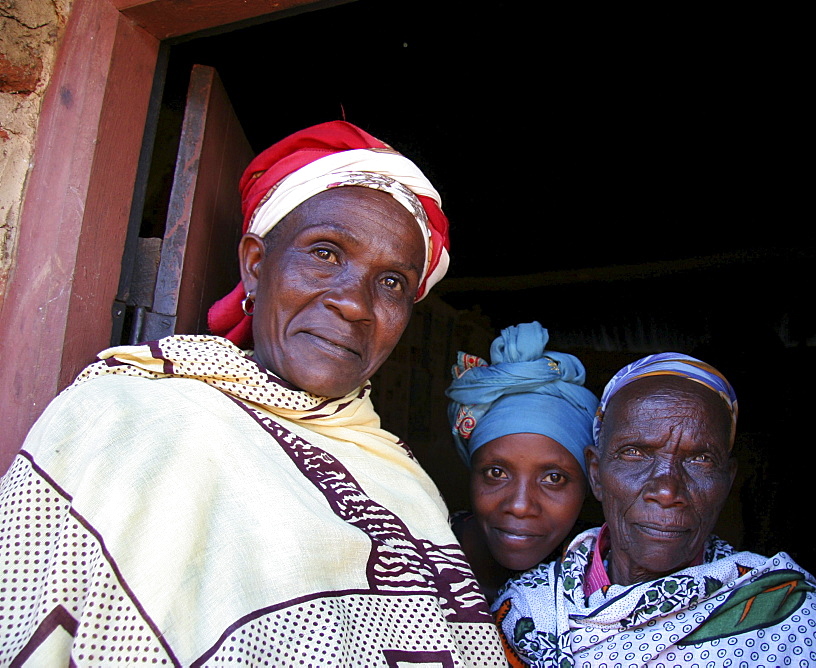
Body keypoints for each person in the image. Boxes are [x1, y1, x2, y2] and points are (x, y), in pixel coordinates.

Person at [0, 121, 505, 666]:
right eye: (327, 253)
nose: (356, 304)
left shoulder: (406, 483)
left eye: (392, 283)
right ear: (256, 265)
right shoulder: (127, 417)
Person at [493, 353, 816, 667]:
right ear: (596, 473)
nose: (667, 490)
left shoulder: (785, 615)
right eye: (635, 453)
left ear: (727, 479)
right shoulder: (526, 611)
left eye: (701, 459)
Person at [445, 321, 598, 602]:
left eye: (554, 478)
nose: (519, 506)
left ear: (590, 481)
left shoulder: (602, 580)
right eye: (496, 472)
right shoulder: (412, 558)